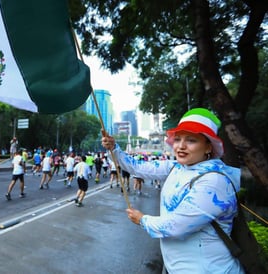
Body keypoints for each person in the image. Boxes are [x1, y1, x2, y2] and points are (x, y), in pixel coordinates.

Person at [101, 108, 243, 273]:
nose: (181, 146)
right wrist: (114, 148)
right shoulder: (177, 167)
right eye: (177, 139)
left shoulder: (215, 181)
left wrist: (142, 219)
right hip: (174, 266)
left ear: (208, 147)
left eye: (191, 140)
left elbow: (176, 225)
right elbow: (137, 167)